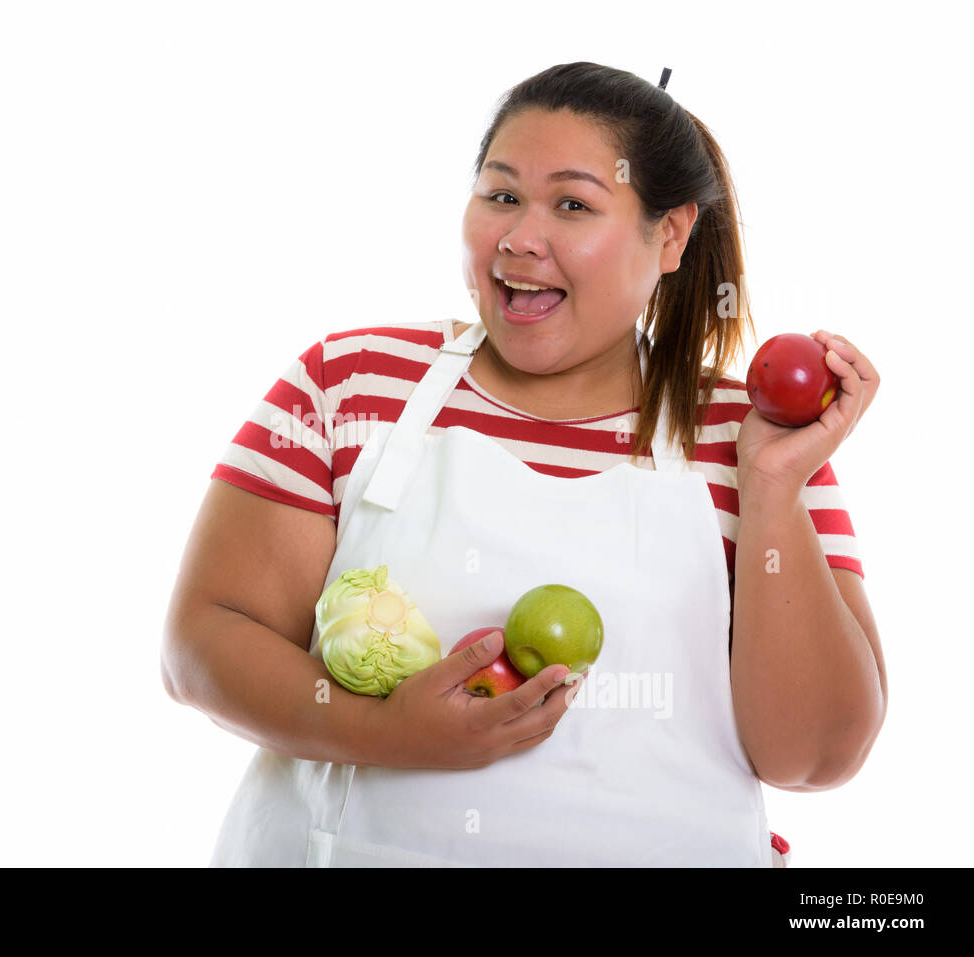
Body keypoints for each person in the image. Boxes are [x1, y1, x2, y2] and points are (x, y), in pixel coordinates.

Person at [161, 62, 886, 867]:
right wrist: (382, 732)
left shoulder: (751, 438)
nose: (518, 237)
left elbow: (813, 754)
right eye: (501, 195)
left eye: (572, 204)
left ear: (670, 234)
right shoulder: (351, 383)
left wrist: (776, 490)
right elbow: (203, 641)